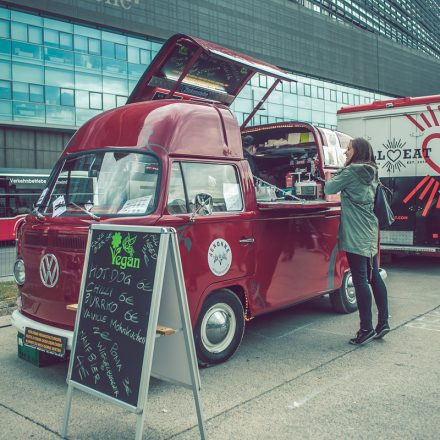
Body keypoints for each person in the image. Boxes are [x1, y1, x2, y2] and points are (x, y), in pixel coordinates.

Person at [324, 137, 390, 345]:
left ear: (358, 151)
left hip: (355, 233)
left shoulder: (351, 172)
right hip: (370, 230)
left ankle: (366, 328)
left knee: (360, 279)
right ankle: (383, 323)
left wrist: (337, 173)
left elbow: (328, 188)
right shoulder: (372, 171)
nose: (345, 153)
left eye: (349, 149)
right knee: (374, 276)